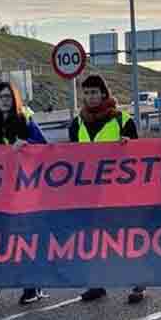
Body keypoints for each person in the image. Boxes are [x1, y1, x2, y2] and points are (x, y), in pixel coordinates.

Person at [68, 74, 147, 305]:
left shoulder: (122, 120)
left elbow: (141, 154)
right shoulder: (77, 123)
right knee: (93, 240)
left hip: (120, 192)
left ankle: (138, 282)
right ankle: (97, 284)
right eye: (87, 92)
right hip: (90, 194)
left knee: (127, 239)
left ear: (104, 94)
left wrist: (128, 146)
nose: (91, 97)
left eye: (95, 92)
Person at [0, 82, 48, 308]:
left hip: (22, 192)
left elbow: (45, 148)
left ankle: (31, 287)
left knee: (24, 242)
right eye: (1, 97)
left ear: (15, 99)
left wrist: (27, 144)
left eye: (8, 97)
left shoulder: (26, 122)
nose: (4, 100)